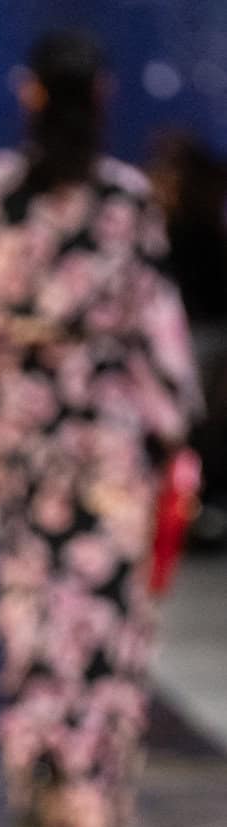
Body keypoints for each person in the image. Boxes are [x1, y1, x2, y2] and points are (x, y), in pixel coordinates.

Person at [0, 28, 199, 827]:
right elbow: (156, 329)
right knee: (105, 613)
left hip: (26, 429)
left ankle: (36, 766)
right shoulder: (125, 199)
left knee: (32, 603)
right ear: (103, 97)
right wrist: (174, 430)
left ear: (30, 94)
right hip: (109, 430)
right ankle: (84, 796)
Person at [149, 127, 227, 548]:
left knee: (196, 429)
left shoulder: (196, 230)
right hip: (183, 343)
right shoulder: (162, 231)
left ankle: (199, 505)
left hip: (200, 341)